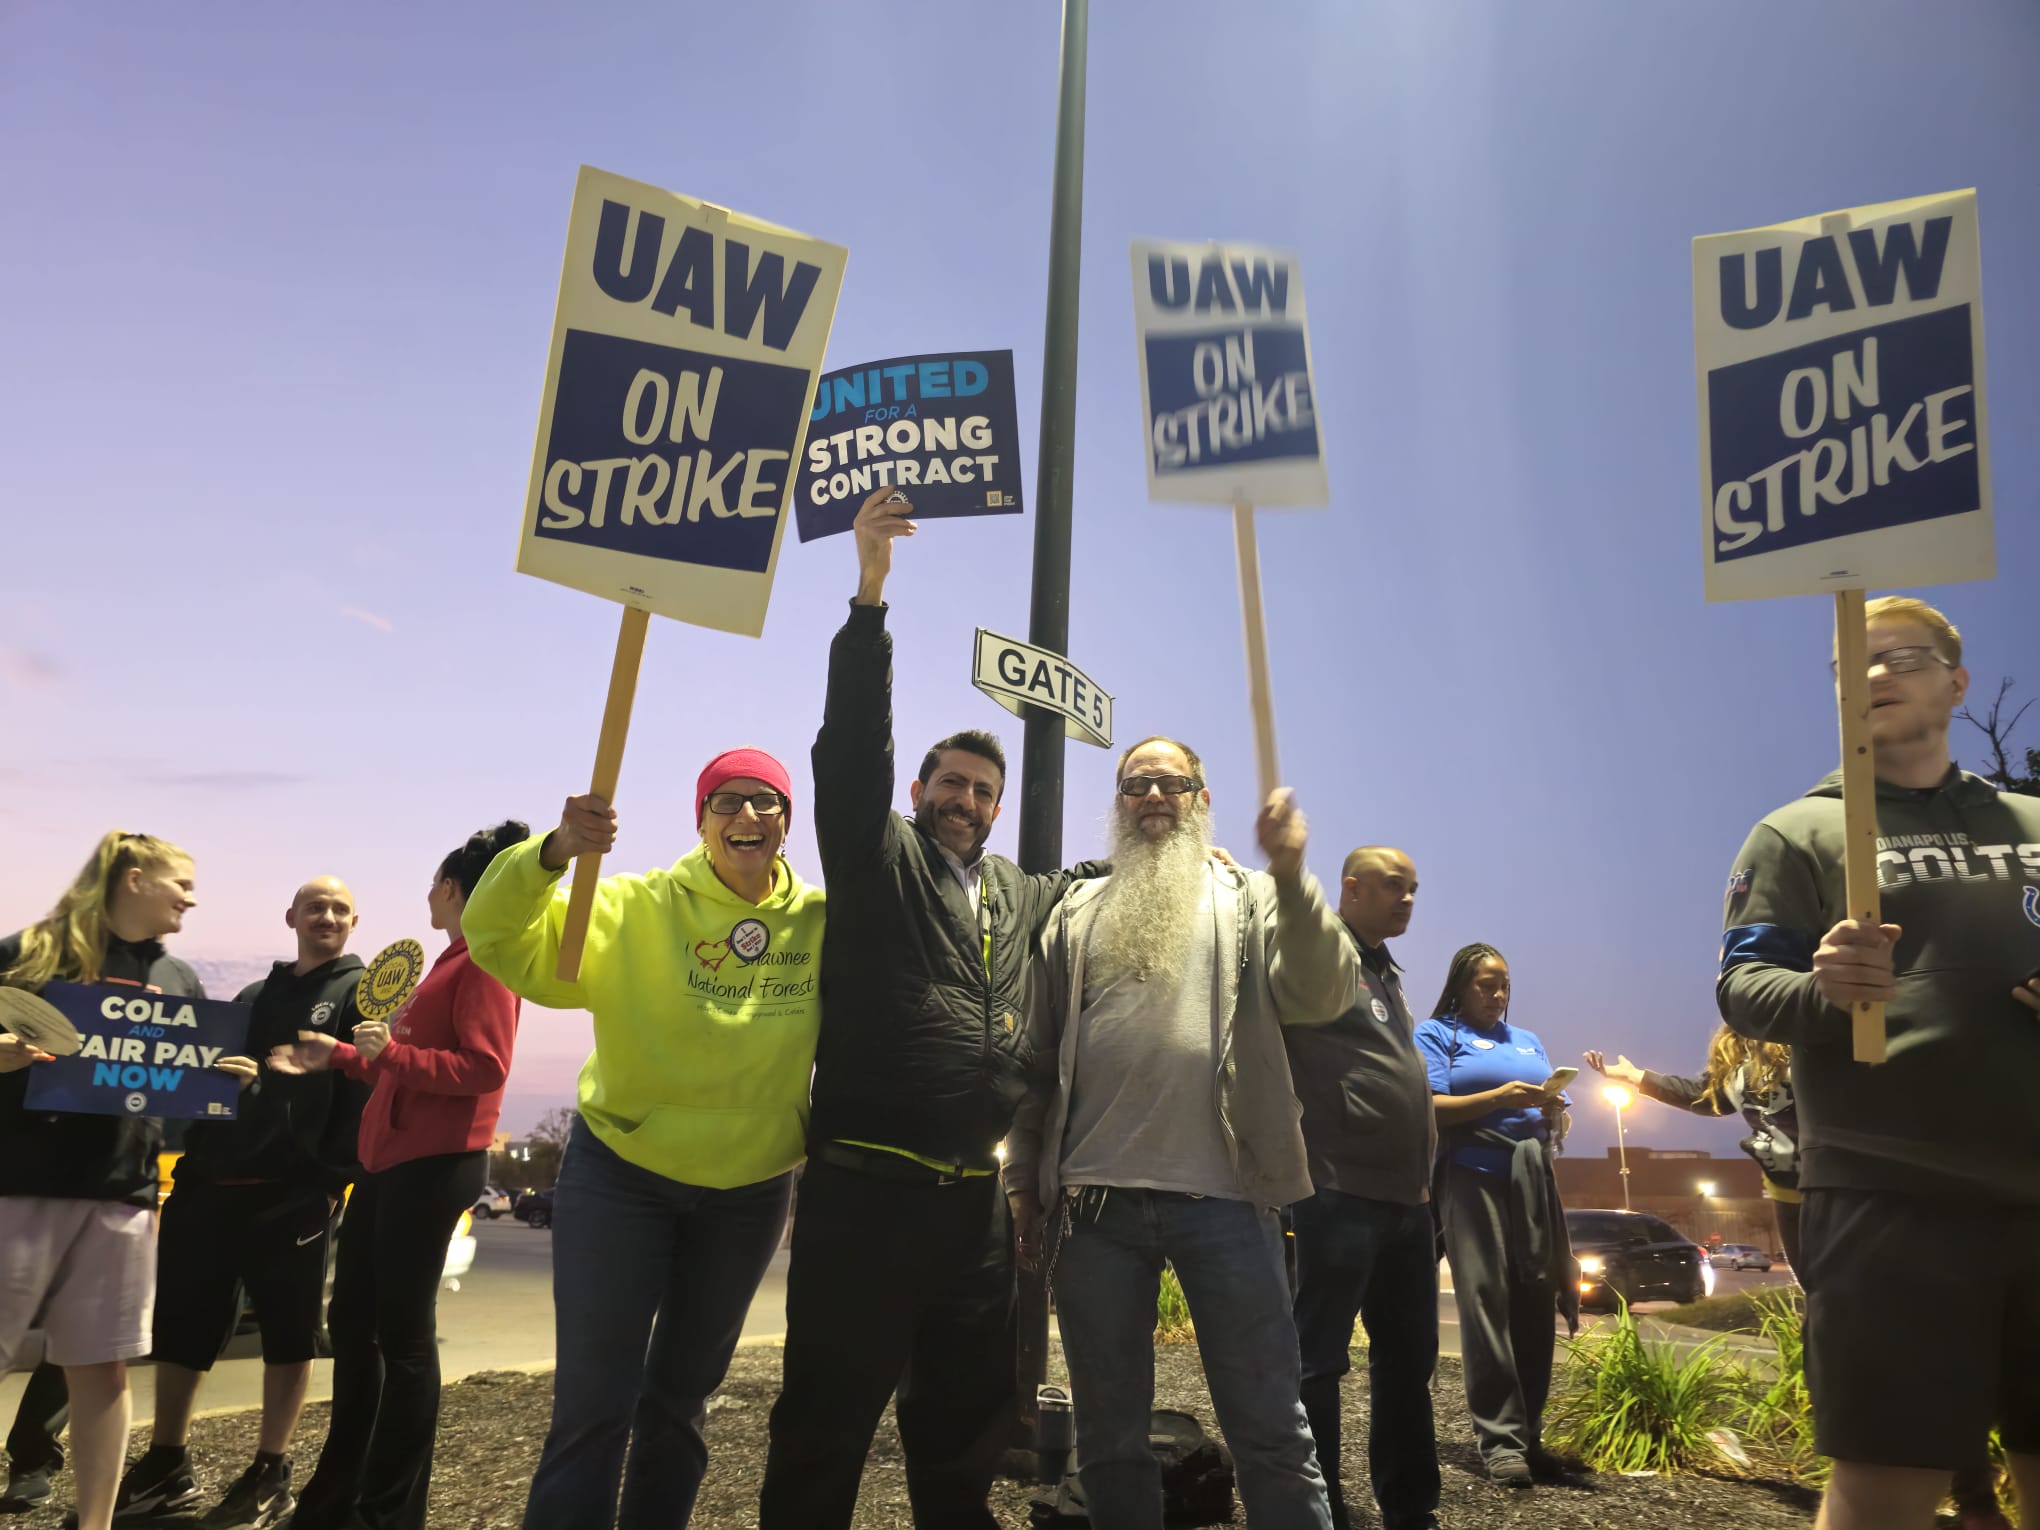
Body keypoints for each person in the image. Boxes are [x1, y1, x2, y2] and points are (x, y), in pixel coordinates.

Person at [757, 488, 1108, 1530]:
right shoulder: (878, 858)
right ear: (917, 790)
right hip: (865, 1197)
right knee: (825, 1424)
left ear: (997, 809)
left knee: (963, 1431)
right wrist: (870, 599)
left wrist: (1172, 842)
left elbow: (1088, 878)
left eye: (981, 791)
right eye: (949, 783)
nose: (964, 800)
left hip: (973, 1212)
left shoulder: (1016, 892)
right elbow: (849, 750)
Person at [1716, 595, 2040, 1530]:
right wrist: (1827, 990)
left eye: (1898, 656)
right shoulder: (1799, 834)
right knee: (1889, 1484)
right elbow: (1743, 989)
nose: (1873, 676)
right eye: (1851, 664)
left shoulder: (2026, 822)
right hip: (1892, 1200)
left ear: (1957, 680)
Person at [462, 750, 826, 1530]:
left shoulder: (823, 925)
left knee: (680, 1403)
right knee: (595, 1403)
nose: (749, 816)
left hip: (751, 1189)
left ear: (789, 824)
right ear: (701, 820)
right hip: (622, 1174)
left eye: (769, 802)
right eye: (727, 800)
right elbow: (496, 936)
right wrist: (553, 853)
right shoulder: (631, 907)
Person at [1004, 737, 1356, 1530]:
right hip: (1095, 1208)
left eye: (1173, 783)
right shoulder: (1076, 913)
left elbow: (1324, 989)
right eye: (1138, 784)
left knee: (1269, 1424)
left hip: (1227, 1196)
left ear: (1201, 799)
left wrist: (1295, 875)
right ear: (1119, 802)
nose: (1154, 796)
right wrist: (1024, 1179)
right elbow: (1036, 1058)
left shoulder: (1251, 895)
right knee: (1108, 1435)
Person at [269, 822, 525, 1530]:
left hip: (434, 1166)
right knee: (353, 1325)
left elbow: (485, 1070)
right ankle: (338, 1497)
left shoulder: (488, 963)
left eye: (434, 884)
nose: (427, 895)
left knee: (405, 1341)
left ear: (451, 889)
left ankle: (388, 1510)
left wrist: (385, 1059)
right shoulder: (447, 963)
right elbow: (398, 1060)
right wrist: (343, 1056)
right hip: (389, 1164)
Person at [0, 833, 254, 1530]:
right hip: (20, 1189)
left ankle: (96, 1523)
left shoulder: (179, 982)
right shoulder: (31, 953)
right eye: (182, 884)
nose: (192, 899)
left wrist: (223, 1080)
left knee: (103, 1369)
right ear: (134, 879)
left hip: (124, 1198)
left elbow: (177, 1087)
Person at [109, 879, 369, 1529]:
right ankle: (167, 1463)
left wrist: (331, 1172)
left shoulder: (362, 995)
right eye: (315, 906)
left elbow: (368, 1082)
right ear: (292, 917)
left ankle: (270, 1472)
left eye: (339, 908)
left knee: (290, 1336)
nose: (327, 915)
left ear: (355, 921)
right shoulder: (254, 997)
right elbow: (207, 1078)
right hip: (211, 1183)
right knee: (183, 1330)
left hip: (294, 1194)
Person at [1282, 847, 1441, 1530]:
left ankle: (1410, 1509)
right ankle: (1321, 1513)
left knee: (1407, 1364)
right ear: (1350, 889)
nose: (1409, 900)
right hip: (1338, 1191)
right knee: (1317, 1361)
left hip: (1409, 1201)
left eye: (1414, 890)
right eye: (1395, 887)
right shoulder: (1325, 956)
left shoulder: (1387, 971)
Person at [1413, 944, 1575, 1488]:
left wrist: (1552, 1108)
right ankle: (1500, 1442)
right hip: (1470, 1173)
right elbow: (1427, 1104)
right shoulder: (1436, 1035)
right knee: (1486, 1302)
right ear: (1460, 984)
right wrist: (1499, 1098)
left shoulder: (1527, 1040)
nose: (1498, 994)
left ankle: (1529, 1436)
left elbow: (1543, 1104)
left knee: (1536, 1297)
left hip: (1530, 1177)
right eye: (1486, 984)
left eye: (1504, 983)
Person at [1583, 1031, 1799, 1258]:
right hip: (1784, 1183)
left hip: (1830, 1172)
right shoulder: (1739, 1046)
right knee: (1814, 1282)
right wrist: (1635, 1076)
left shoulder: (1805, 1027)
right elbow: (1706, 1096)